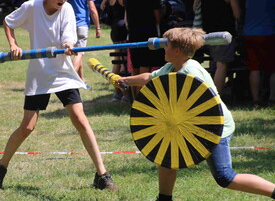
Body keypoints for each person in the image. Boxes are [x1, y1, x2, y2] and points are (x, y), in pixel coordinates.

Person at [0, 0, 117, 191]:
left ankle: (102, 174)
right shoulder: (31, 7)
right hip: (39, 73)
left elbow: (68, 35)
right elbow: (8, 22)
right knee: (27, 127)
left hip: (62, 73)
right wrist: (13, 46)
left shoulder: (67, 9)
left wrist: (68, 45)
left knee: (81, 119)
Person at [116, 27, 275, 201]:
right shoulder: (173, 66)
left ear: (176, 50)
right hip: (188, 126)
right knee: (167, 154)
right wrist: (124, 80)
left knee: (225, 177)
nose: (164, 48)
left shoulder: (190, 73)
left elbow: (204, 110)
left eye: (167, 45)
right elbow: (150, 77)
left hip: (213, 127)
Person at [193, 0, 240, 95]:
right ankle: (215, 97)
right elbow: (237, 13)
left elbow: (195, 7)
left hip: (205, 33)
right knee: (221, 65)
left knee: (215, 63)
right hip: (223, 34)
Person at [123, 0, 165, 98]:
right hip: (148, 33)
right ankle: (142, 100)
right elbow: (157, 17)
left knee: (135, 68)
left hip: (133, 32)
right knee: (145, 67)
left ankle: (135, 98)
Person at [242, 0, 275, 106]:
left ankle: (255, 99)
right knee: (273, 67)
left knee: (254, 68)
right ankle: (272, 98)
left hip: (249, 32)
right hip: (268, 32)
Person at [100, 0, 133, 102]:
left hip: (114, 28)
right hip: (123, 27)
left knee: (117, 59)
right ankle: (125, 93)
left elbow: (102, 6)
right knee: (124, 61)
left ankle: (116, 93)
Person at [68, 0, 102, 89]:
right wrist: (97, 27)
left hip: (67, 25)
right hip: (81, 25)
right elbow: (92, 8)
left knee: (77, 52)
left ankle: (81, 81)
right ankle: (69, 81)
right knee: (79, 53)